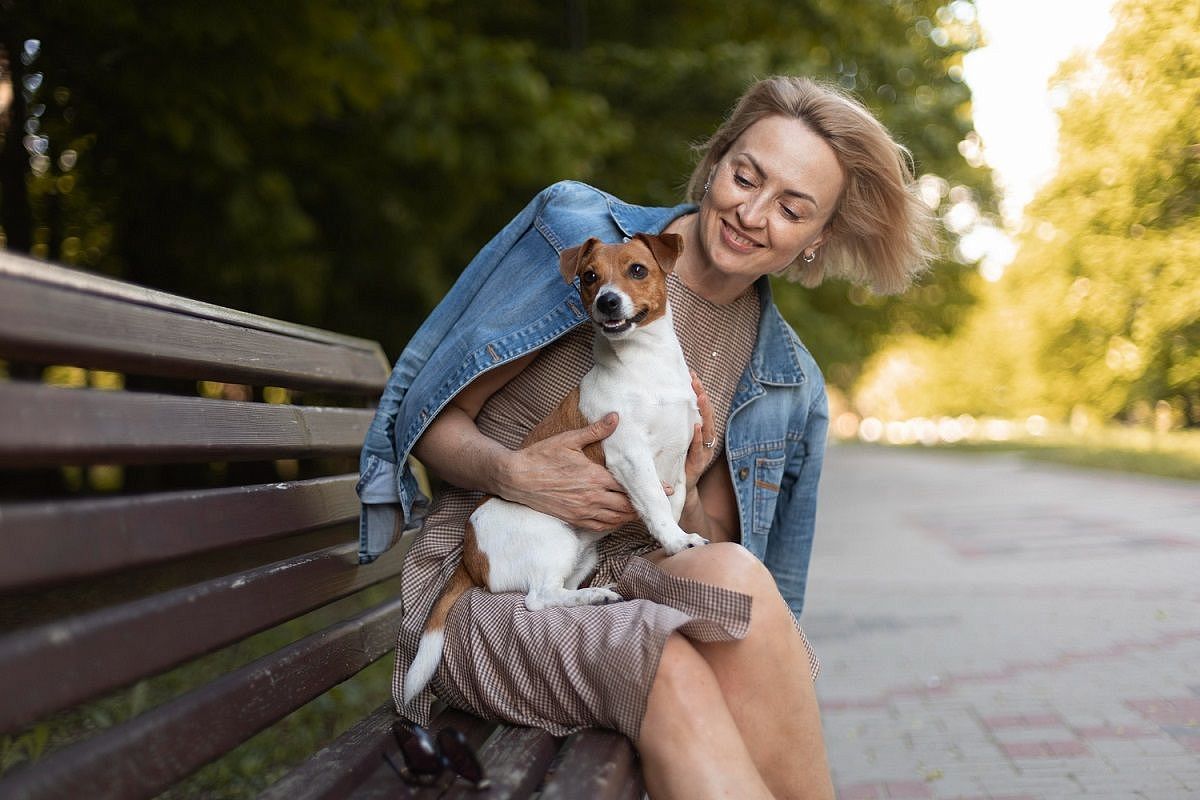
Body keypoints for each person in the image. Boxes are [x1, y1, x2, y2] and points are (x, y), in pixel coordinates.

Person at [357, 75, 934, 799]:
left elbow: (709, 540)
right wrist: (513, 474)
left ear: (818, 239)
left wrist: (685, 479)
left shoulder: (785, 377)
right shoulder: (581, 238)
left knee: (741, 590)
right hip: (492, 578)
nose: (752, 213)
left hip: (626, 575)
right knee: (670, 664)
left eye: (792, 208)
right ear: (715, 162)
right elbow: (429, 419)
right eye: (745, 175)